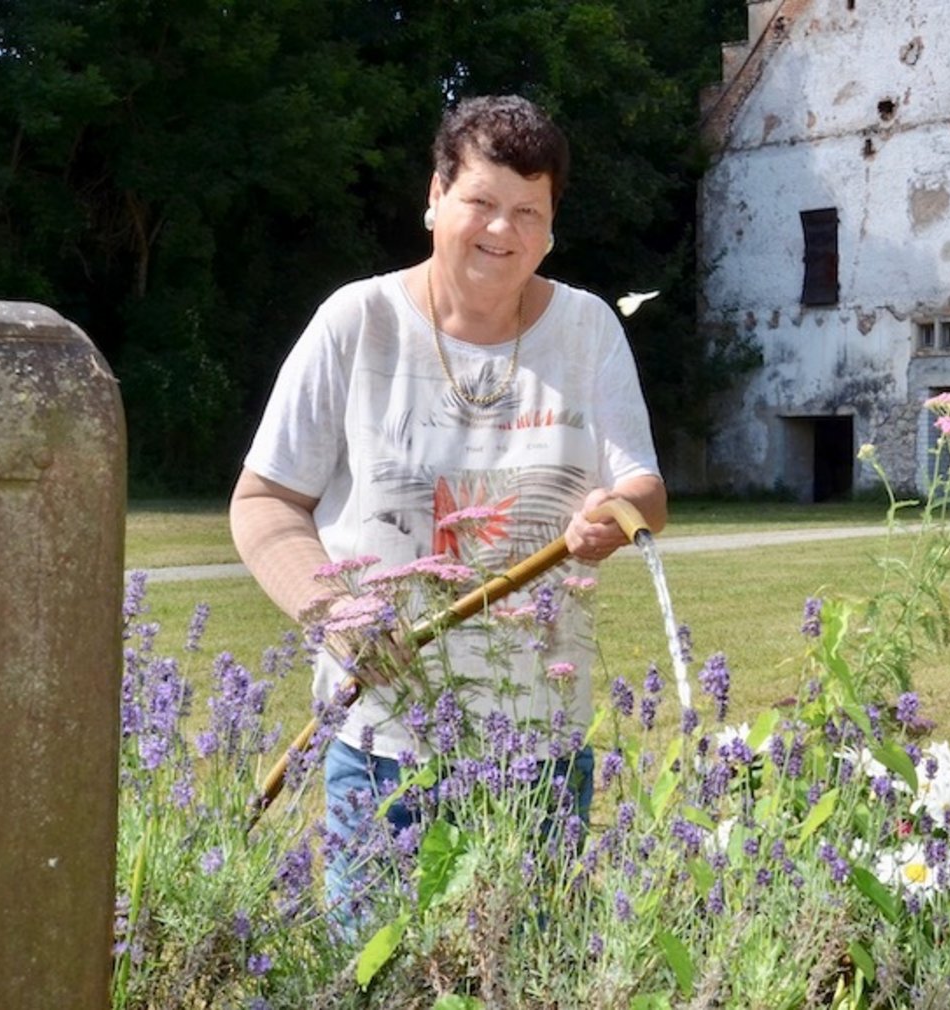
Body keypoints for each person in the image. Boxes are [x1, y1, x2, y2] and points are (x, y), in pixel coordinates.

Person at [229, 94, 667, 910]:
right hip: (384, 738)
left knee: (528, 975)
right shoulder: (357, 323)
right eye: (481, 202)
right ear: (434, 198)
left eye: (527, 212)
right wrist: (335, 613)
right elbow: (264, 502)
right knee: (373, 976)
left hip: (539, 748)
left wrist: (618, 510)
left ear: (551, 226)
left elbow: (644, 489)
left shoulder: (586, 331)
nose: (502, 231)